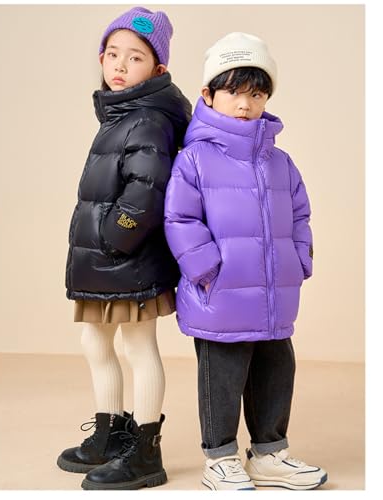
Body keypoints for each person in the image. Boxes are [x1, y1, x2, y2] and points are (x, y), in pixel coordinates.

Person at [164, 32, 327, 491]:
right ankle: (220, 459)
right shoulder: (195, 159)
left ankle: (269, 453)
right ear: (208, 94)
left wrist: (299, 259)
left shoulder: (281, 162)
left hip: (275, 295)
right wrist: (207, 271)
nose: (244, 103)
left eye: (256, 94)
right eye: (234, 91)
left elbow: (300, 214)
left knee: (276, 368)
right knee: (223, 375)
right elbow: (180, 218)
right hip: (220, 295)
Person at [58, 7, 191, 490]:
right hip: (105, 261)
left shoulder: (148, 118)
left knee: (138, 346)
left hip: (128, 259)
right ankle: (111, 434)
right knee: (95, 342)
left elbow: (146, 190)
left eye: (134, 57)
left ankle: (146, 450)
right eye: (112, 53)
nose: (119, 65)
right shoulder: (121, 113)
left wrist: (116, 236)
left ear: (156, 70)